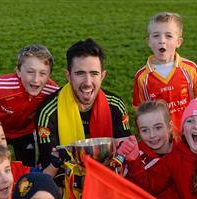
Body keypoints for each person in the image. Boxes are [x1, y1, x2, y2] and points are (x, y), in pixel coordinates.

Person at [35, 38, 131, 169]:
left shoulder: (115, 106)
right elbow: (49, 164)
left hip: (107, 177)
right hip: (65, 182)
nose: (87, 82)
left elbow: (125, 155)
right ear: (68, 76)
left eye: (94, 74)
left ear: (102, 76)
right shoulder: (48, 112)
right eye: (80, 73)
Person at [133, 12, 197, 135]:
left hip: (189, 135)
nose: (162, 41)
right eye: (156, 36)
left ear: (178, 42)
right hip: (161, 139)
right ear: (149, 41)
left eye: (168, 36)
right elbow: (141, 111)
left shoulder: (190, 69)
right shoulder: (142, 77)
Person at [134, 100, 180, 199]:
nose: (152, 135)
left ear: (169, 127)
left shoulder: (183, 152)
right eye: (145, 130)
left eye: (158, 128)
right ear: (139, 131)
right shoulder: (135, 155)